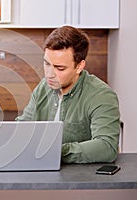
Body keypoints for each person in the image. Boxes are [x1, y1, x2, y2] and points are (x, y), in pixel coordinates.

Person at [16, 26, 120, 163]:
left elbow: (107, 147)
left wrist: (56, 151)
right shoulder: (43, 87)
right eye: (46, 64)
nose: (49, 74)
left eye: (59, 68)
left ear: (79, 66)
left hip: (81, 178)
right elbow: (24, 126)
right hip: (41, 168)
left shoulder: (102, 95)